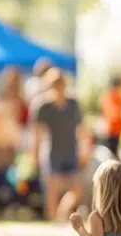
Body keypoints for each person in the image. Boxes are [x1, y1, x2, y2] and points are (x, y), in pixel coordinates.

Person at [30, 68, 88, 222]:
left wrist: (84, 150)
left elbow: (81, 130)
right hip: (52, 153)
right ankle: (52, 221)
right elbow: (39, 134)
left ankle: (61, 214)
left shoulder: (73, 104)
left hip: (71, 151)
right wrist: (34, 155)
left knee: (77, 189)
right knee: (52, 189)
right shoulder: (43, 106)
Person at [99, 76, 121, 158]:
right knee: (109, 152)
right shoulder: (110, 96)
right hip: (110, 129)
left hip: (116, 129)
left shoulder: (118, 96)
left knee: (114, 151)